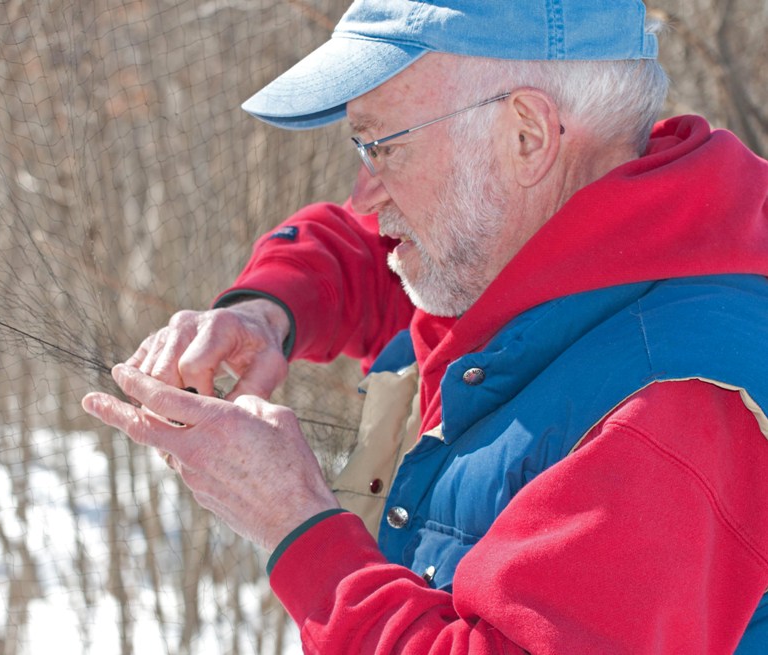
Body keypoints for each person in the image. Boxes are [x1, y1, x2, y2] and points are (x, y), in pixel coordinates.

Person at [82, 0, 768, 652]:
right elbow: (363, 253)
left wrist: (296, 523)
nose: (366, 192)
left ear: (527, 135)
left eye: (383, 146)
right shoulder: (576, 235)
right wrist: (264, 312)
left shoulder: (670, 409)